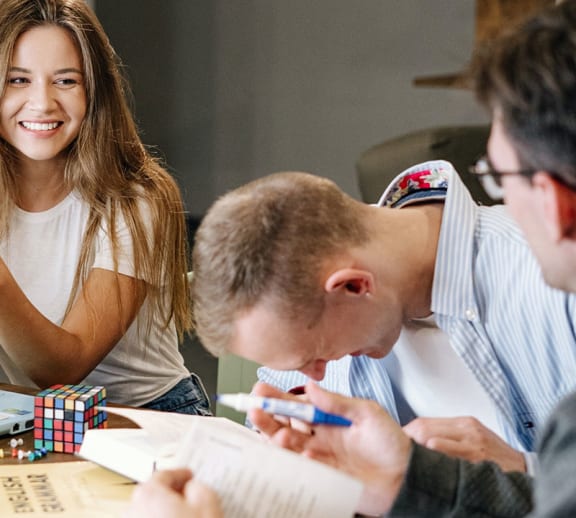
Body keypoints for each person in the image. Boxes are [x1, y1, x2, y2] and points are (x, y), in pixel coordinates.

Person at [249, 1, 576, 516]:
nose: (501, 204)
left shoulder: (542, 287)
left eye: (499, 179)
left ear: (556, 203)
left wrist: (517, 469)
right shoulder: (310, 310)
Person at [0, 0, 210, 414]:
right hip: (25, 416)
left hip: (145, 417)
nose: (42, 103)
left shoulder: (136, 199)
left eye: (65, 81)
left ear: (94, 91)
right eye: (18, 79)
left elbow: (63, 371)